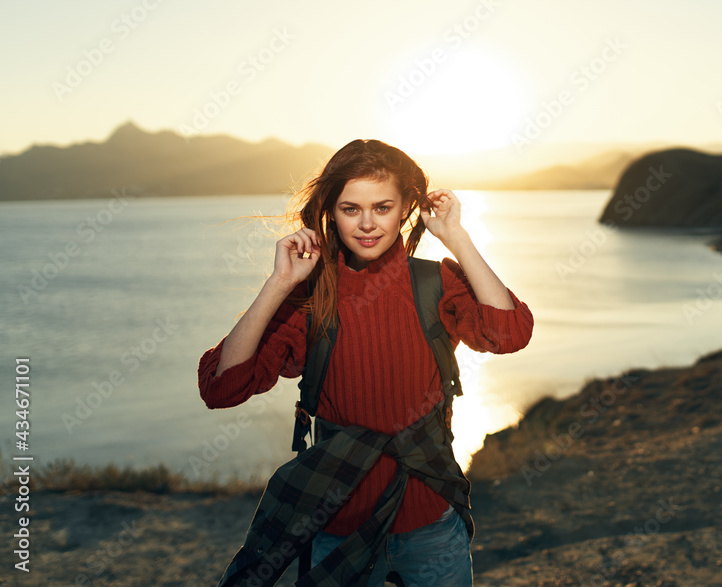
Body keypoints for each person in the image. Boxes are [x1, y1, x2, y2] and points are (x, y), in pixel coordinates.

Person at [197, 139, 533, 586]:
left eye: (383, 207)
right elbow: (222, 389)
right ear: (331, 213)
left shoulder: (435, 284)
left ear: (405, 209)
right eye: (351, 209)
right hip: (337, 525)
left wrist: (456, 237)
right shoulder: (313, 296)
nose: (368, 223)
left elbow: (508, 334)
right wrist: (279, 284)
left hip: (431, 523)